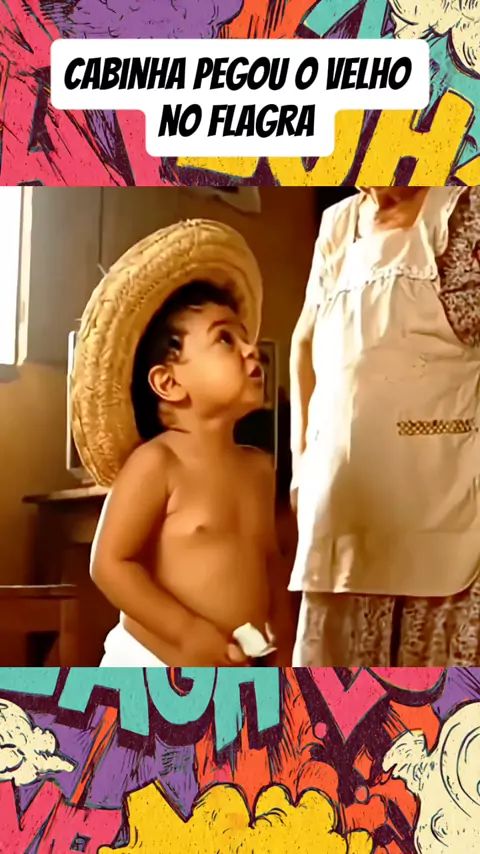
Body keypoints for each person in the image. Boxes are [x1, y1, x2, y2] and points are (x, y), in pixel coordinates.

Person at [71, 219, 292, 667]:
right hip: (152, 663)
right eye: (225, 338)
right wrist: (187, 633)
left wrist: (283, 645)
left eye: (245, 338)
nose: (250, 349)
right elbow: (109, 563)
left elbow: (269, 561)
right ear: (168, 382)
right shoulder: (158, 463)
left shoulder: (258, 469)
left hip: (236, 663)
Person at [289, 186, 480, 667]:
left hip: (445, 514)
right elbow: (304, 344)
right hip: (344, 519)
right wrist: (300, 466)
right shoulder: (336, 225)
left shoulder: (465, 209)